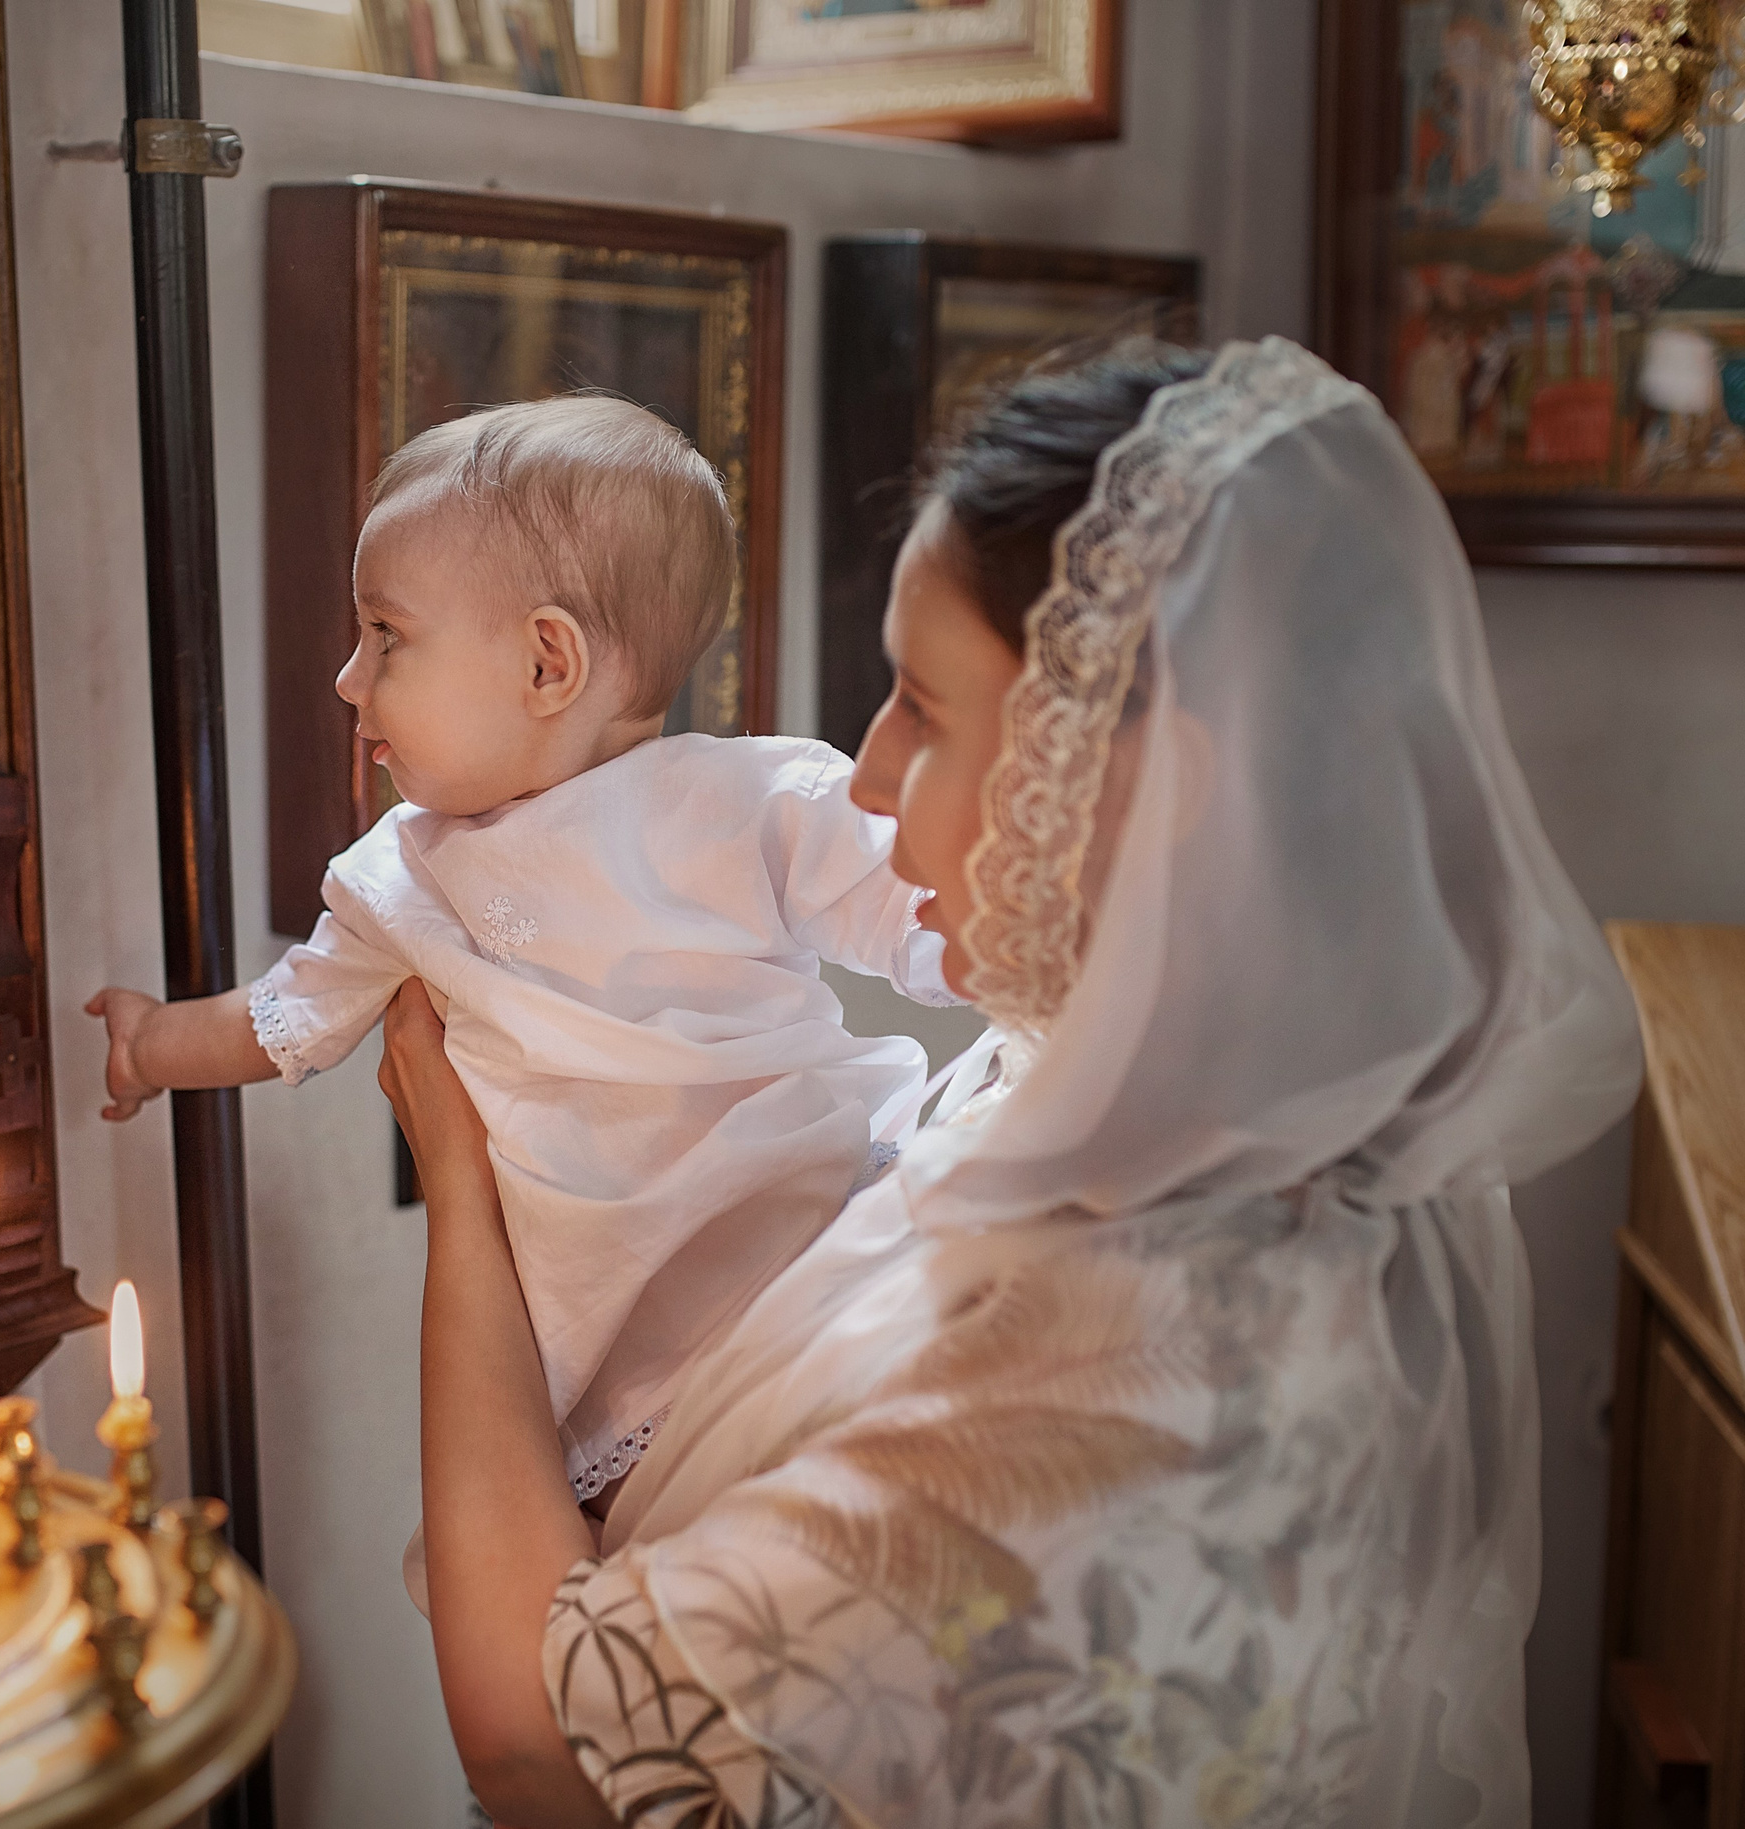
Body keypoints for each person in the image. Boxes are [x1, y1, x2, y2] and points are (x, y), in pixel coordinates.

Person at [381, 338, 1643, 1826]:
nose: (861, 770)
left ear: (1131, 778)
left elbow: (544, 1748)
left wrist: (462, 1184)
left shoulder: (1132, 1365)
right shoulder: (1188, 1085)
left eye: (920, 704)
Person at [89, 395, 957, 1520]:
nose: (350, 678)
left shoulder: (749, 800)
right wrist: (152, 1042)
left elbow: (931, 916)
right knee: (671, 1557)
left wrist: (1060, 977)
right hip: (622, 1350)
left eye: (386, 635)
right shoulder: (401, 873)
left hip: (821, 1253)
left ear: (549, 662)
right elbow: (278, 1019)